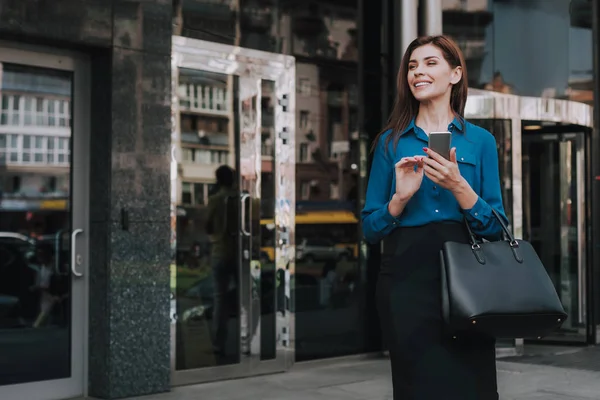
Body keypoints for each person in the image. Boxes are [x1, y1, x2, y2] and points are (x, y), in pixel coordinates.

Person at [362, 35, 508, 400]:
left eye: (430, 63)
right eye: (412, 66)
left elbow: (497, 228)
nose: (418, 72)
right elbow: (369, 229)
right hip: (406, 276)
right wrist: (399, 199)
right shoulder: (390, 143)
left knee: (471, 382)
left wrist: (459, 187)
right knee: (416, 384)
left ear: (455, 74)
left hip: (468, 276)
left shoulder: (480, 141)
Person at [205, 165, 238, 356]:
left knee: (220, 300)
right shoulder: (240, 200)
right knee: (245, 297)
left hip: (220, 252)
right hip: (238, 253)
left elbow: (207, 225)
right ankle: (248, 339)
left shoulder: (216, 200)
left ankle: (218, 344)